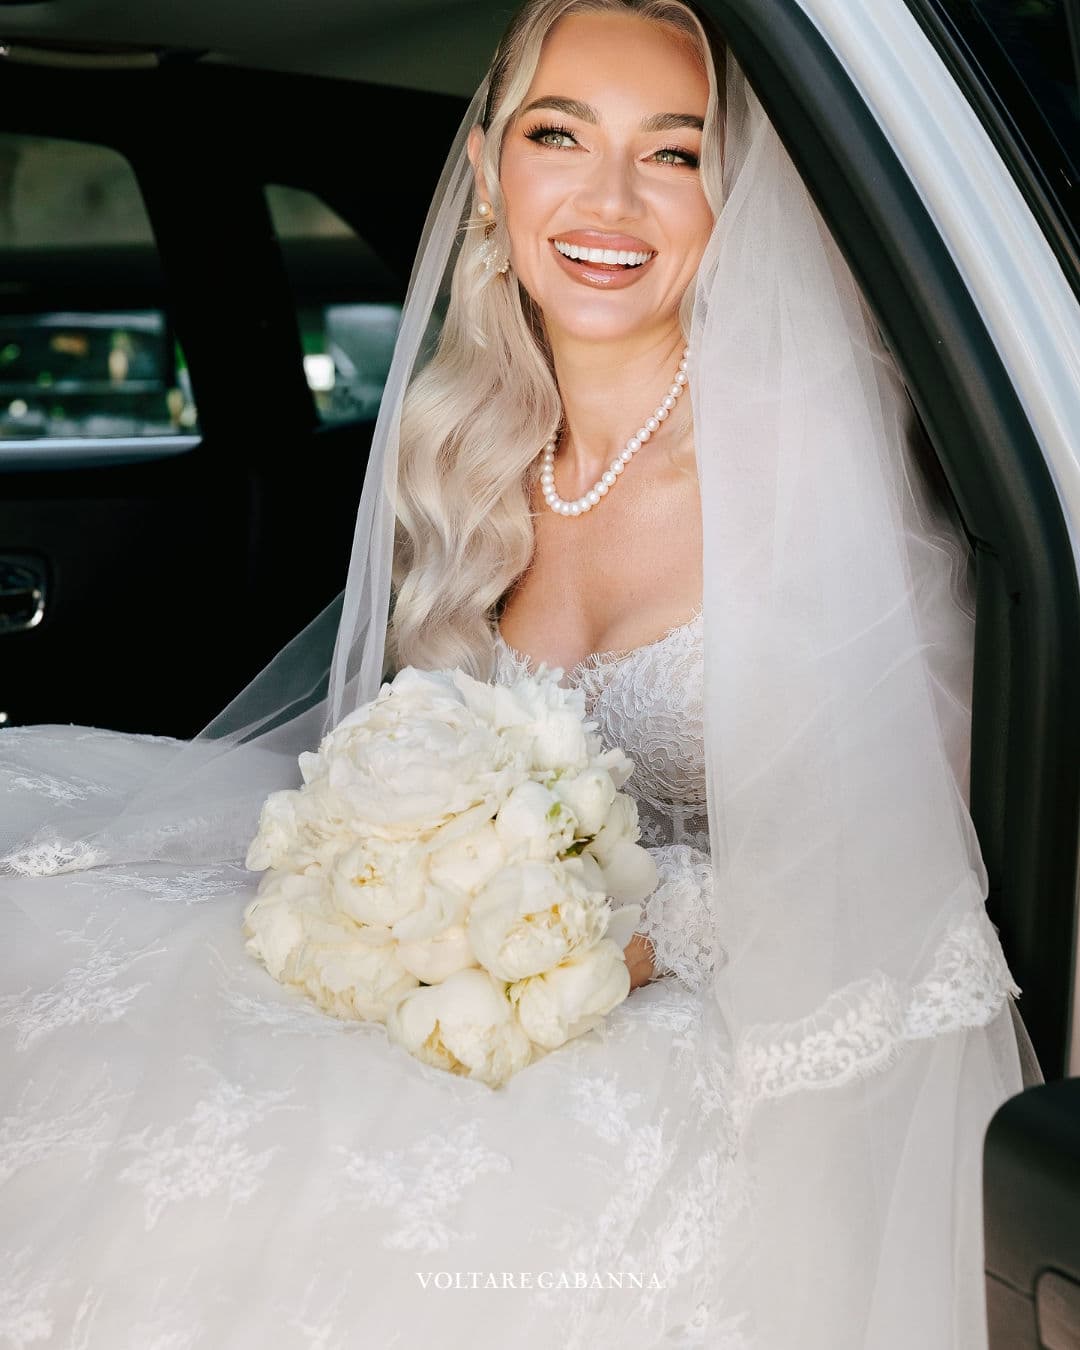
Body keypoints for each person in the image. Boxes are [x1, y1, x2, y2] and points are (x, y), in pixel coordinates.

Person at [0, 1, 1040, 1347]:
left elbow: (896, 868)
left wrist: (576, 934)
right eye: (561, 135)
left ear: (732, 201)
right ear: (489, 173)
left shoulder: (802, 470)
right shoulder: (472, 446)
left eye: (673, 153)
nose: (612, 199)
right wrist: (412, 906)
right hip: (476, 988)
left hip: (727, 1030)